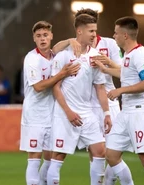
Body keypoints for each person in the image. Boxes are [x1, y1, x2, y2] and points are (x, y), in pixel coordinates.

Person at [52, 8, 122, 184]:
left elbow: (100, 88)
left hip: (87, 113)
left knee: (100, 151)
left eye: (95, 31)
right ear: (79, 31)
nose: (94, 35)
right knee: (59, 155)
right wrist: (68, 112)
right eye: (91, 31)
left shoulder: (94, 57)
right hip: (64, 114)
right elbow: (55, 87)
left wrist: (107, 114)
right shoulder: (64, 55)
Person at [96, 17, 144, 185]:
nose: (113, 36)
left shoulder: (141, 54)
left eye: (116, 33)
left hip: (140, 112)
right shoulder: (127, 55)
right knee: (111, 154)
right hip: (126, 113)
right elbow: (126, 75)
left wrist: (120, 90)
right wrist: (105, 69)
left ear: (125, 35)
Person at [20, 20, 80, 185]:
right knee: (34, 157)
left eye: (45, 35)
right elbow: (39, 87)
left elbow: (58, 47)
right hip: (34, 115)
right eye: (38, 36)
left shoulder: (55, 55)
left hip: (52, 114)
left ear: (51, 36)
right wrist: (62, 73)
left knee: (50, 158)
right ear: (34, 38)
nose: (42, 39)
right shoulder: (32, 59)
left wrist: (70, 41)